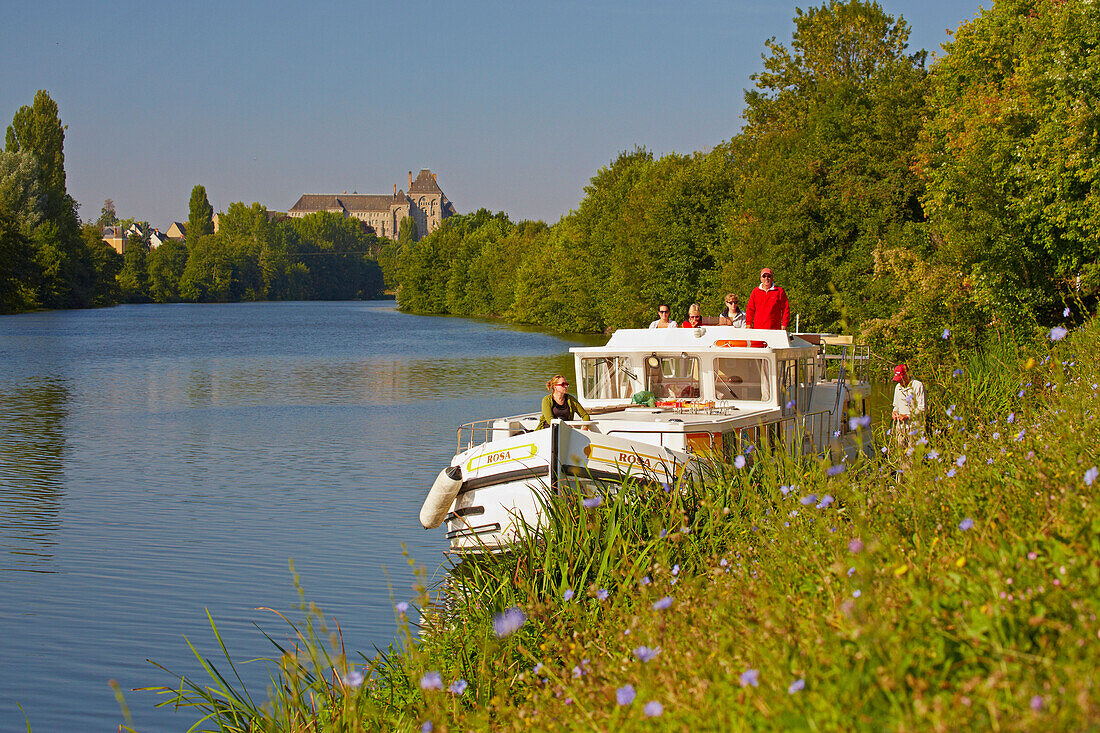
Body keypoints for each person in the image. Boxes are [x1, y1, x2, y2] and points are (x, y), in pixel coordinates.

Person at [891, 364, 926, 467]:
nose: (900, 382)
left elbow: (922, 408)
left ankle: (913, 478)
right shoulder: (898, 388)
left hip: (914, 427)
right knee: (901, 454)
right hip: (901, 427)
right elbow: (896, 406)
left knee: (913, 455)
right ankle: (902, 479)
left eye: (901, 379)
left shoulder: (918, 386)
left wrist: (907, 416)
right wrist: (894, 413)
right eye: (898, 379)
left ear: (907, 375)